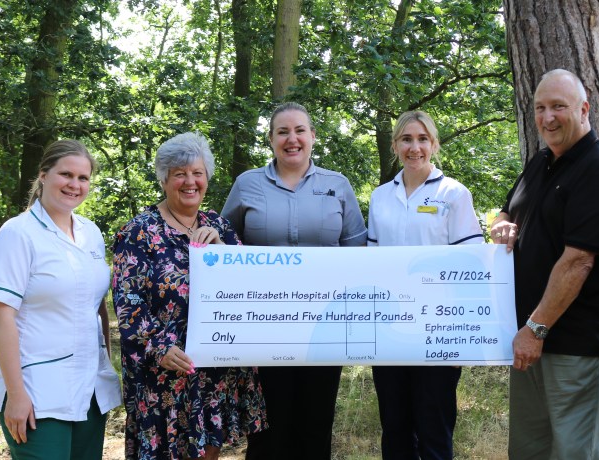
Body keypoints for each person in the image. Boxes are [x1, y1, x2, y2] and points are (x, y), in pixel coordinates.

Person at [490, 69, 599, 459]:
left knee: (576, 452)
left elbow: (578, 262)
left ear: (584, 109)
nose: (548, 117)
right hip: (530, 340)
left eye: (559, 106)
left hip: (575, 344)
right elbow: (507, 211)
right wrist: (501, 225)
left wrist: (535, 329)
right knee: (529, 450)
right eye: (540, 108)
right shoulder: (541, 162)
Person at [222, 102, 367, 459]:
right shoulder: (247, 184)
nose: (292, 139)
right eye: (282, 132)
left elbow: (359, 253)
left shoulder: (337, 185)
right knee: (268, 427)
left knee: (316, 425)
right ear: (271, 139)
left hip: (324, 327)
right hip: (261, 326)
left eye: (300, 130)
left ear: (313, 137)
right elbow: (224, 245)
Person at [112, 132, 266, 460]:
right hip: (164, 372)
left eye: (197, 173)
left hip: (214, 371)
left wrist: (223, 251)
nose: (190, 182)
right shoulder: (139, 232)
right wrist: (159, 345)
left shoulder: (220, 227)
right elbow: (129, 298)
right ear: (164, 180)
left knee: (208, 449)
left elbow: (248, 288)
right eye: (179, 174)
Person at [0, 140, 121, 459]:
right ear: (43, 175)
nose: (74, 184)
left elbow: (97, 304)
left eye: (83, 178)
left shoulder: (91, 233)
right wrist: (16, 396)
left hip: (90, 391)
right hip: (37, 393)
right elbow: (1, 316)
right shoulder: (18, 233)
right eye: (66, 174)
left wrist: (106, 365)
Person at [367, 111, 483, 459]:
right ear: (395, 145)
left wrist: (459, 341)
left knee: (434, 430)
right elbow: (372, 266)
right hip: (390, 330)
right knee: (395, 428)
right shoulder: (380, 197)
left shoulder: (454, 193)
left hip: (438, 330)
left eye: (421, 139)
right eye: (406, 139)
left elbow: (469, 267)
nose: (414, 147)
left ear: (434, 144)